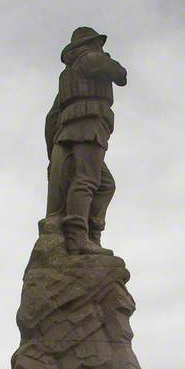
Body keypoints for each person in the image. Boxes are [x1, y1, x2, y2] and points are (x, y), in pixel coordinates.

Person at [45, 26, 127, 255]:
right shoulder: (91, 59)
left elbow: (52, 115)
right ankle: (78, 238)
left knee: (105, 185)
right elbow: (120, 75)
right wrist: (105, 57)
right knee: (86, 180)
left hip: (69, 130)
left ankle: (92, 233)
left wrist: (52, 149)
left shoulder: (67, 75)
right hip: (89, 125)